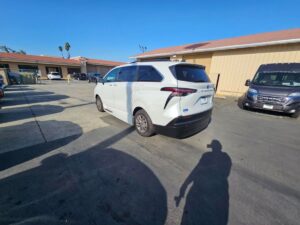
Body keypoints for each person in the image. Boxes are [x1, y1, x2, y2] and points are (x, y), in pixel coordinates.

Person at [174, 140, 232, 225]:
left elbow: (196, 170)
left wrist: (185, 186)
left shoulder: (207, 156)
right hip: (217, 189)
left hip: (205, 188)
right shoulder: (225, 157)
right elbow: (226, 173)